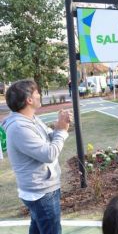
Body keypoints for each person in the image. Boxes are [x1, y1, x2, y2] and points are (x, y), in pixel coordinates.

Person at [2, 79, 71, 234]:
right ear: (29, 100)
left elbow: (48, 140)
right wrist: (61, 131)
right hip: (40, 192)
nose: (40, 95)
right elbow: (49, 154)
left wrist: (60, 126)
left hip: (43, 189)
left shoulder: (31, 119)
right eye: (37, 92)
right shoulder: (19, 127)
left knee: (38, 229)